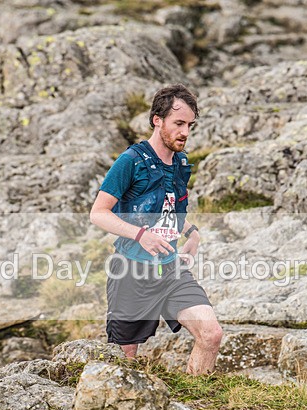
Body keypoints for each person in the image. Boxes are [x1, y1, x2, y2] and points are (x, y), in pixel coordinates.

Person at [89, 84, 223, 375]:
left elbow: (167, 208)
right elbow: (98, 213)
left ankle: (196, 397)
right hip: (130, 272)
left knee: (211, 334)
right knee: (124, 363)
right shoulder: (130, 161)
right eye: (179, 123)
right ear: (157, 120)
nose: (185, 132)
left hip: (171, 270)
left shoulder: (181, 162)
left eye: (190, 125)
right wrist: (140, 235)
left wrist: (192, 232)